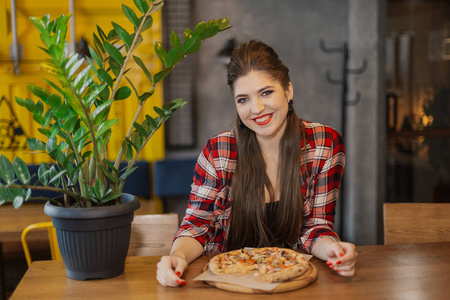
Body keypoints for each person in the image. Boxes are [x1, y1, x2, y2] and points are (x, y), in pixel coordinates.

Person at [157, 40, 357, 287]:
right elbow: (197, 225)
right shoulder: (218, 150)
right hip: (225, 283)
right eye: (243, 99)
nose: (257, 108)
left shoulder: (325, 144)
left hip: (292, 283)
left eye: (266, 92)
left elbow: (317, 226)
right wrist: (177, 256)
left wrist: (334, 252)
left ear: (288, 91)